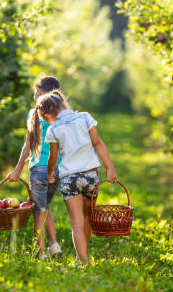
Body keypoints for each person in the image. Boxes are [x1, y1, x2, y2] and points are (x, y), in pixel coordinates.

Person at [28, 91, 118, 265]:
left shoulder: (54, 129)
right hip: (91, 175)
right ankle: (81, 256)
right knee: (87, 217)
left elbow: (52, 157)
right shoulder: (85, 117)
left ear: (47, 115)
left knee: (76, 223)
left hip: (70, 180)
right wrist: (110, 167)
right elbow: (98, 143)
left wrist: (49, 173)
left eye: (46, 120)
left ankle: (83, 262)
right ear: (63, 104)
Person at [6, 76, 63, 259]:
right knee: (44, 205)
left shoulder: (35, 112)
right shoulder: (61, 113)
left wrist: (18, 168)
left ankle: (40, 253)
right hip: (58, 169)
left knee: (38, 210)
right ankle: (54, 245)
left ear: (39, 91)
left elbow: (28, 145)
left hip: (39, 168)